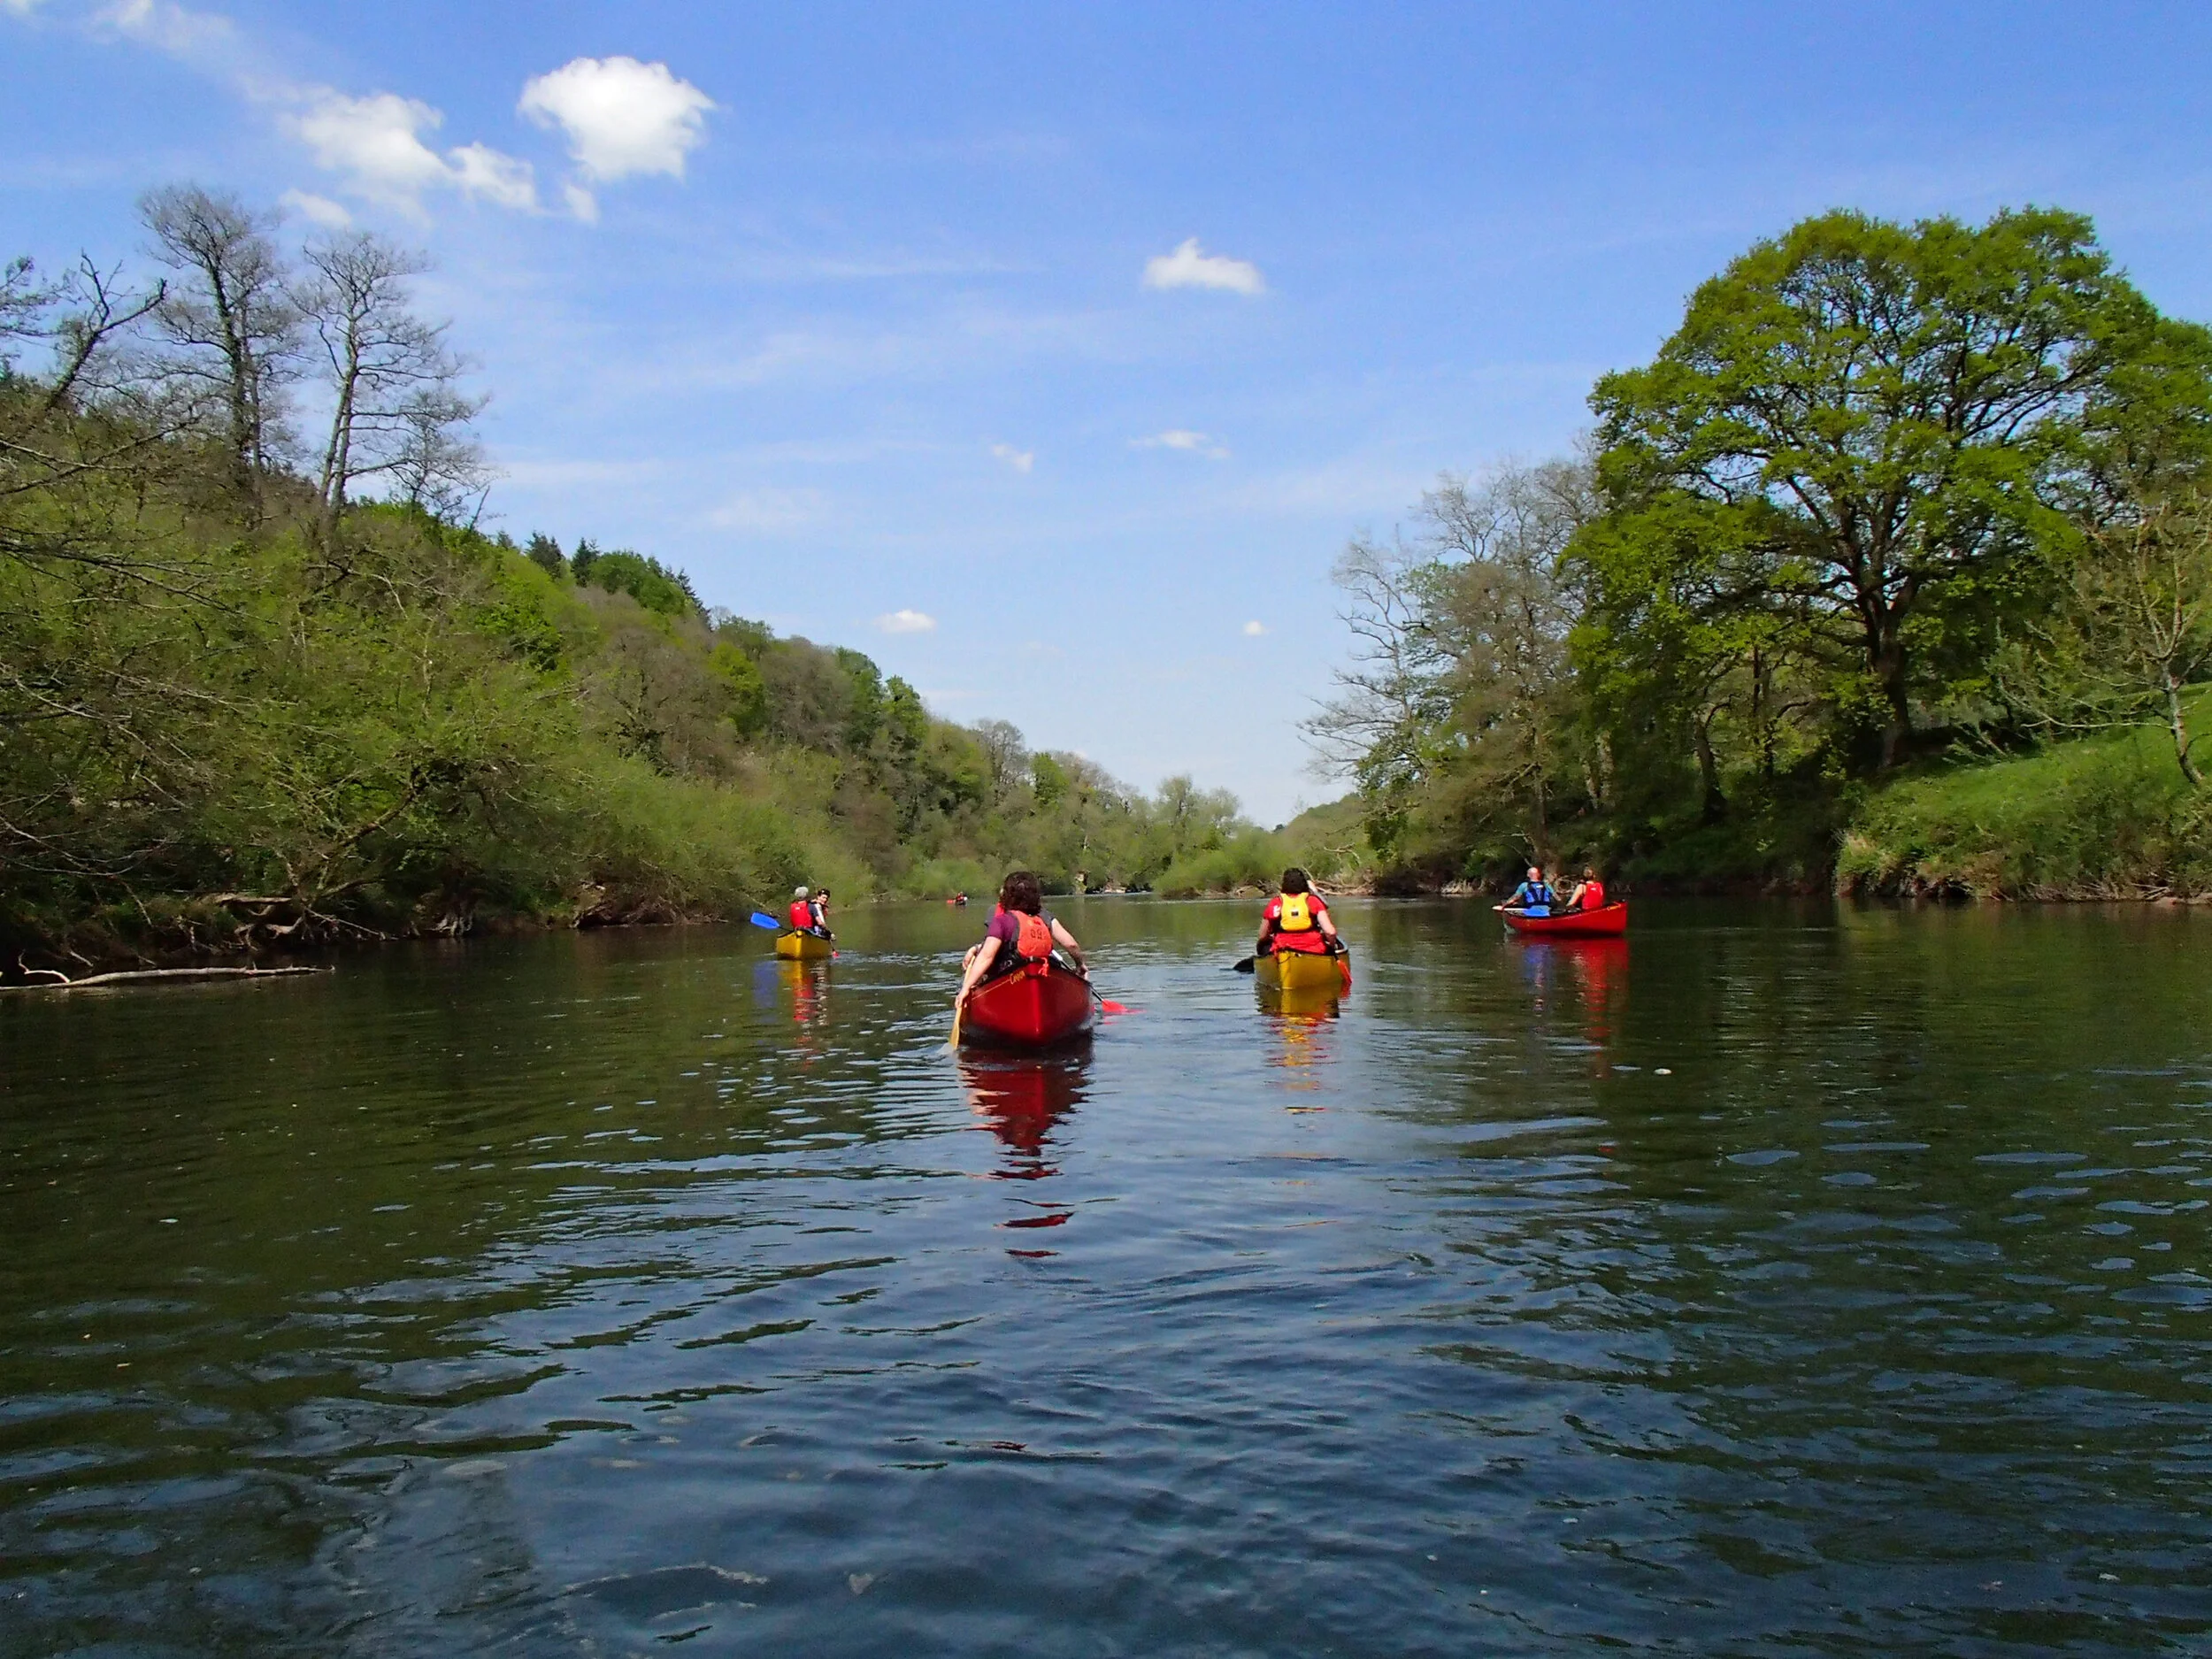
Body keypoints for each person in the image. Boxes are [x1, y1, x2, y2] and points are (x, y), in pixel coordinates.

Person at [956, 870, 1085, 1010]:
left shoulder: (1002, 921)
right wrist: (1080, 965)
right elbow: (1071, 944)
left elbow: (987, 956)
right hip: (1043, 973)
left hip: (1009, 977)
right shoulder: (1045, 917)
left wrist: (966, 988)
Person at [1256, 867, 1341, 957]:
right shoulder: (1313, 901)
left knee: (1262, 945)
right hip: (1314, 949)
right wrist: (1332, 947)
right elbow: (1330, 932)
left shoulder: (1275, 902)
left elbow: (1262, 935)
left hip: (1283, 950)